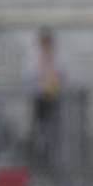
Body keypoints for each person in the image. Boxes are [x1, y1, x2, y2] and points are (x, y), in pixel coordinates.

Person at [26, 28, 65, 167]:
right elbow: (30, 75)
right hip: (39, 97)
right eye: (44, 42)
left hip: (54, 97)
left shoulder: (59, 58)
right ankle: (39, 157)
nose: (46, 46)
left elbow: (64, 75)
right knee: (39, 128)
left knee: (54, 128)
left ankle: (54, 157)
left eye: (48, 42)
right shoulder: (34, 58)